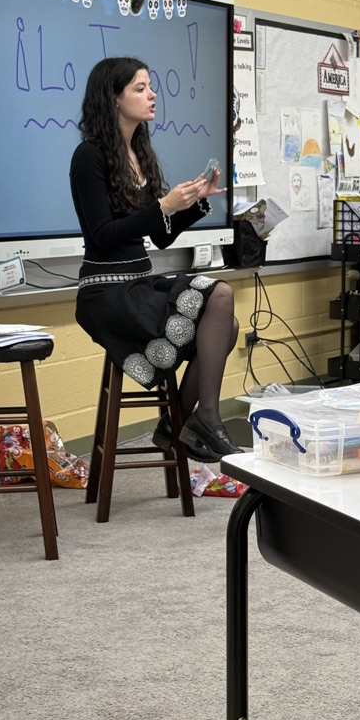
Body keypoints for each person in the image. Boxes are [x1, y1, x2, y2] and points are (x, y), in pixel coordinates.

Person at [69, 56, 239, 463]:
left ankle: (175, 422)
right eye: (140, 88)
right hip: (106, 292)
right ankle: (203, 418)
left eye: (150, 86)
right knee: (220, 294)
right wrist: (162, 203)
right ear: (113, 99)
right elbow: (103, 235)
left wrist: (193, 205)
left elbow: (160, 236)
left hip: (139, 282)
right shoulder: (87, 157)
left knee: (226, 324)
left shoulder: (139, 152)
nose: (152, 94)